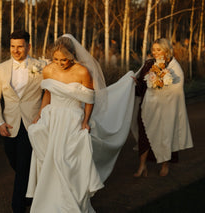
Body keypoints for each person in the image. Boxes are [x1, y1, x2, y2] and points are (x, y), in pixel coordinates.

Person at [26, 34, 136, 212]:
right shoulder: (48, 70)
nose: (60, 63)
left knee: (65, 159)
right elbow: (47, 93)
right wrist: (39, 114)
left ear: (72, 56)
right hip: (52, 117)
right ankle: (50, 204)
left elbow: (90, 99)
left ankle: (71, 202)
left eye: (64, 59)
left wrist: (85, 121)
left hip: (72, 118)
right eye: (56, 59)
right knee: (49, 159)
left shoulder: (82, 72)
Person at [0, 30, 45, 213]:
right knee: (14, 161)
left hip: (33, 124)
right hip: (10, 124)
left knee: (22, 166)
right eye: (13, 46)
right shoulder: (0, 69)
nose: (16, 50)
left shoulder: (41, 66)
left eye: (20, 46)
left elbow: (53, 89)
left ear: (28, 46)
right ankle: (30, 192)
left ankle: (18, 206)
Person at [131, 38, 193, 177]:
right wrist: (137, 83)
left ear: (166, 50)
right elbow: (142, 87)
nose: (155, 52)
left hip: (166, 110)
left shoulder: (174, 67)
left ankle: (165, 164)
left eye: (158, 49)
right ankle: (142, 166)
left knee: (166, 135)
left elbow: (176, 89)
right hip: (147, 108)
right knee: (144, 135)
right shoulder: (148, 64)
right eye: (153, 49)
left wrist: (160, 83)